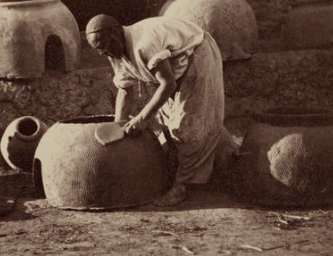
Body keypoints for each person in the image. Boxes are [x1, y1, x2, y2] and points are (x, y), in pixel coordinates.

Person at [85, 14, 237, 206]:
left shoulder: (144, 45)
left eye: (102, 46)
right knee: (170, 119)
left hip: (198, 54)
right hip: (177, 65)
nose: (101, 53)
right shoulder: (114, 51)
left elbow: (168, 84)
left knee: (186, 126)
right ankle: (228, 160)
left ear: (115, 33)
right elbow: (125, 90)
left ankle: (183, 186)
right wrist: (117, 127)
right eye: (97, 49)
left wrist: (142, 118)